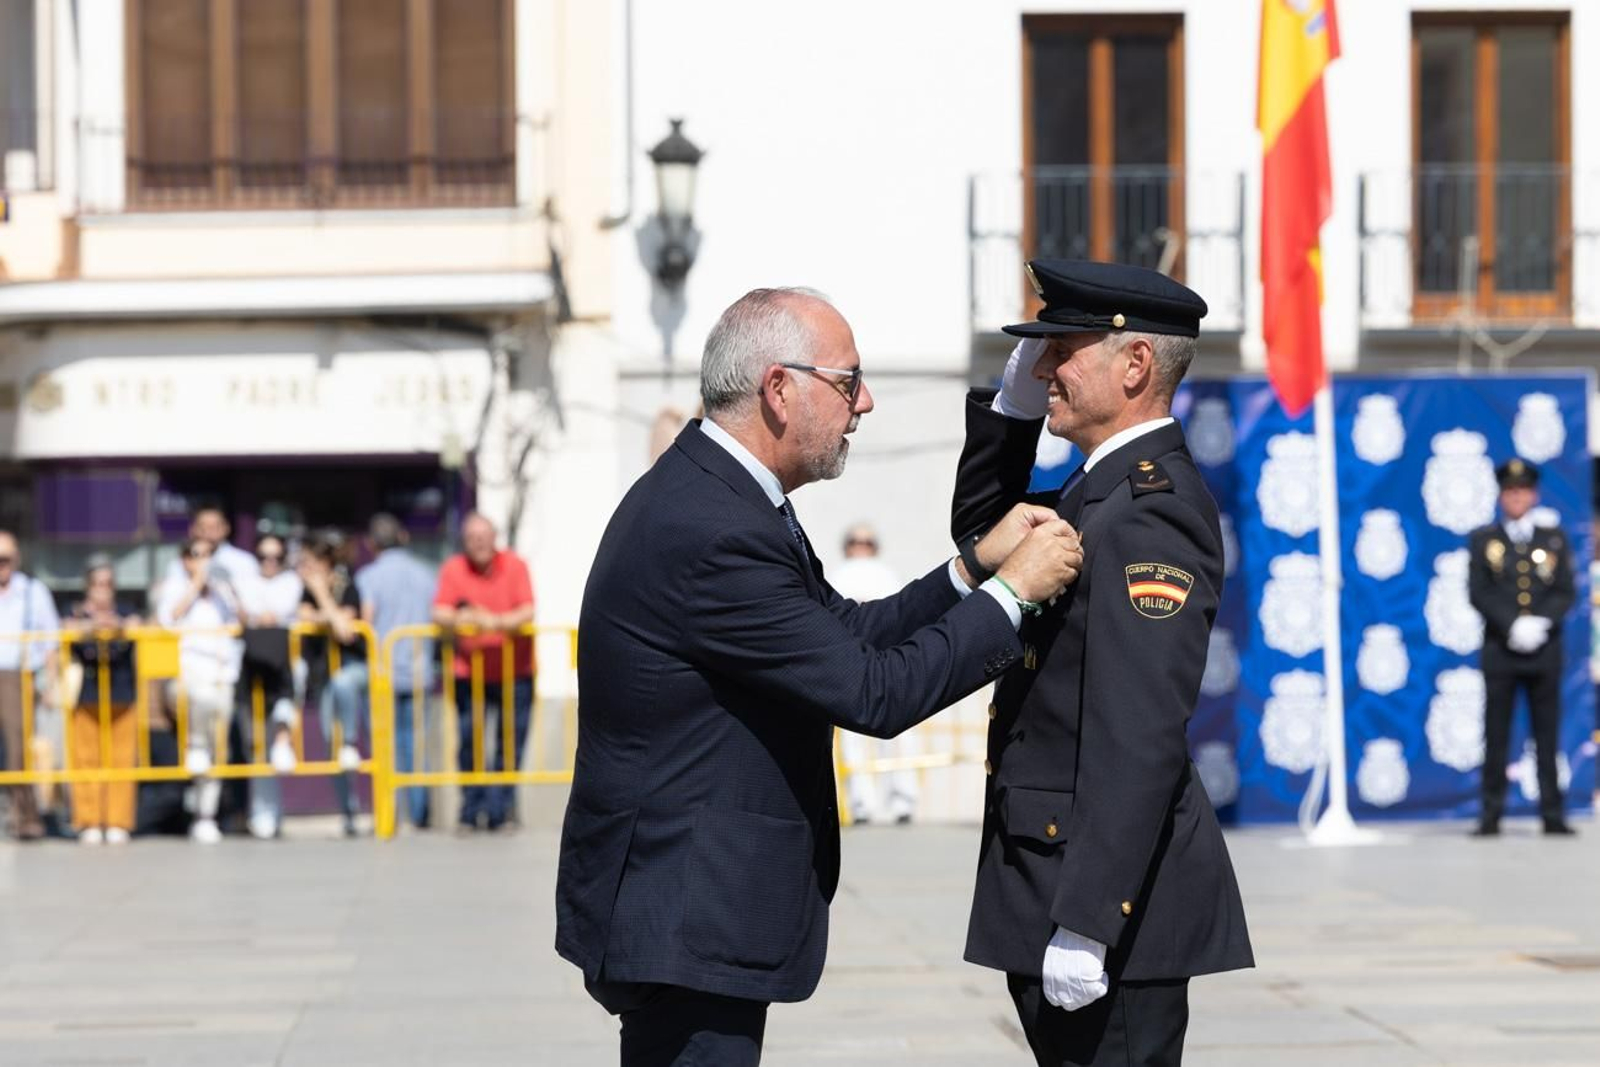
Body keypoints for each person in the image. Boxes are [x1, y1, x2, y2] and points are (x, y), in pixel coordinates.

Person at [555, 286, 1083, 1066]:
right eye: (847, 381)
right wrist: (1015, 593)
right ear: (778, 388)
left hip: (692, 906)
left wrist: (973, 569)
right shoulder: (711, 525)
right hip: (685, 913)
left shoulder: (729, 494)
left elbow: (845, 631)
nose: (864, 402)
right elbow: (874, 690)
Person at [951, 259, 1254, 1067]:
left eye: (1063, 347)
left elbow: (1139, 728)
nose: (1046, 365)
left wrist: (1089, 917)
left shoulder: (1151, 512)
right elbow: (986, 541)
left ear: (1135, 364)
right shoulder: (1100, 489)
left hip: (1110, 915)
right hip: (1052, 880)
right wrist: (1010, 413)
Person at [1467, 458, 1577, 837]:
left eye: (1523, 491)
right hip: (1501, 650)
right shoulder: (1485, 541)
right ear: (1501, 496)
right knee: (1496, 735)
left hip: (1544, 652)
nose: (1516, 497)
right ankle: (1491, 814)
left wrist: (1540, 622)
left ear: (1534, 494)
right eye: (1510, 491)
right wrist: (1512, 623)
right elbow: (1479, 590)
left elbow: (1565, 590)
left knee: (1547, 736)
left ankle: (1552, 813)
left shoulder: (1553, 539)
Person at [432, 513, 535, 833]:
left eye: (483, 536)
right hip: (469, 673)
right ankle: (470, 811)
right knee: (468, 742)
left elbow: (528, 610)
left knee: (510, 744)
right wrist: (467, 617)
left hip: (514, 672)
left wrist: (492, 622)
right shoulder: (453, 568)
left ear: (494, 538)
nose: (478, 542)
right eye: (472, 537)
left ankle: (501, 811)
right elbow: (439, 611)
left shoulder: (515, 565)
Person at [156, 536, 243, 844]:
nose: (203, 561)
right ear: (185, 560)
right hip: (186, 675)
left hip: (222, 674)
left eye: (209, 555)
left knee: (217, 747)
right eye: (196, 555)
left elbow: (244, 620)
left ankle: (205, 815)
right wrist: (195, 583)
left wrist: (227, 589)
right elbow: (169, 619)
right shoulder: (175, 586)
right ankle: (193, 746)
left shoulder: (223, 589)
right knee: (201, 728)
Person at [832, 524, 921, 824]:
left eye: (867, 542)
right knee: (851, 740)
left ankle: (902, 802)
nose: (861, 547)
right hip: (849, 664)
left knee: (898, 734)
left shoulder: (885, 574)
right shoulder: (837, 575)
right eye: (856, 541)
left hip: (887, 661)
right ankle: (860, 805)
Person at [357, 513, 438, 830]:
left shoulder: (369, 576)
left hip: (383, 673)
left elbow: (366, 617)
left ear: (372, 543)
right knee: (416, 746)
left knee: (385, 746)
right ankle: (418, 816)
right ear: (402, 536)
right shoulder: (426, 572)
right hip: (419, 670)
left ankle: (391, 815)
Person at [64, 555, 141, 845]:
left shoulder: (125, 611)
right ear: (88, 586)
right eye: (97, 584)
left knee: (121, 759)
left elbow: (136, 626)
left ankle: (118, 820)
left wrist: (115, 626)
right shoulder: (75, 611)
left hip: (121, 692)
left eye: (107, 584)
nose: (102, 590)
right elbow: (67, 630)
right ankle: (89, 820)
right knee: (86, 758)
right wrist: (90, 625)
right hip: (86, 693)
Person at [298, 533, 369, 837]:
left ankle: (352, 740)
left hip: (355, 671)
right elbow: (305, 618)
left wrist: (322, 599)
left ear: (325, 564)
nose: (303, 569)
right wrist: (327, 613)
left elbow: (345, 631)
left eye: (309, 564)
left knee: (344, 684)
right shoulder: (304, 593)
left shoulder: (348, 586)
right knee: (331, 745)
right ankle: (348, 812)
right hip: (322, 675)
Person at [238, 533, 304, 839]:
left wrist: (262, 615)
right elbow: (254, 610)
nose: (270, 563)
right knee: (255, 747)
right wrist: (261, 614)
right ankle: (262, 814)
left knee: (289, 698)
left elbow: (277, 609)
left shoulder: (291, 581)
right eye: (264, 556)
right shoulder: (247, 581)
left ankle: (282, 737)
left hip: (282, 670)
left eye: (276, 557)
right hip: (252, 668)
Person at [0, 530, 60, 841]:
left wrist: (50, 682)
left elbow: (50, 638)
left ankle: (23, 816)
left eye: (5, 559)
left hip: (16, 674)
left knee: (17, 749)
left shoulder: (33, 591)